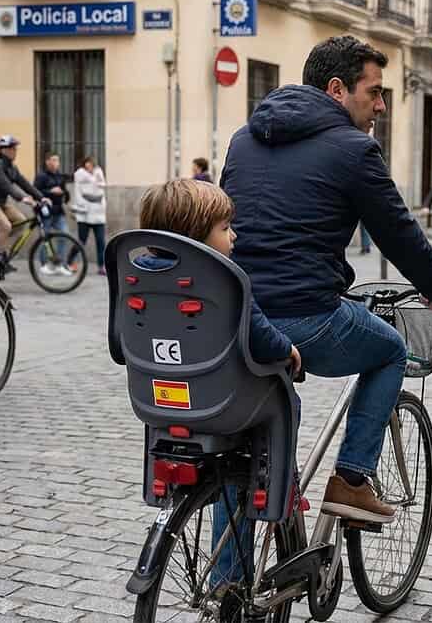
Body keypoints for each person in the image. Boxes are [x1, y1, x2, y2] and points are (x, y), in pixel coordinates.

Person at [221, 35, 432, 523]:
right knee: (391, 349)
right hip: (304, 316)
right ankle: (351, 481)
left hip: (237, 317)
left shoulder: (244, 138)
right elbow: (397, 231)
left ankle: (231, 570)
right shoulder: (354, 149)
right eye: (374, 92)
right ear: (336, 89)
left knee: (243, 456)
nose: (381, 106)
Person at [134, 178, 302, 590]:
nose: (234, 236)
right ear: (196, 235)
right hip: (223, 403)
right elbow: (263, 339)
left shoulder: (136, 275)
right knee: (285, 398)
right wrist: (289, 351)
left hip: (159, 400)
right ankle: (276, 488)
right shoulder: (225, 279)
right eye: (226, 228)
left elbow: (121, 347)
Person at [0, 135, 45, 256]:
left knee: (21, 221)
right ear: (3, 150)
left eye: (15, 149)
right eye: (12, 149)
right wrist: (22, 198)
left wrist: (41, 197)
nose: (15, 151)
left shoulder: (11, 167)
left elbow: (24, 183)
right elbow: (6, 185)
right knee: (5, 226)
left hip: (1, 202)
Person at [33, 152, 72, 276]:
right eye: (53, 160)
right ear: (47, 162)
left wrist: (64, 194)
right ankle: (45, 265)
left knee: (64, 235)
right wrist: (50, 191)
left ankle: (59, 264)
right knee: (45, 239)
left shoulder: (59, 176)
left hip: (58, 212)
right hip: (45, 212)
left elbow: (65, 192)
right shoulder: (41, 176)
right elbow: (35, 191)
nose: (56, 163)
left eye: (57, 160)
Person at [72, 156, 107, 275]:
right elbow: (78, 192)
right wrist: (81, 207)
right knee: (81, 241)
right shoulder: (79, 175)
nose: (89, 166)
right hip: (84, 214)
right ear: (84, 164)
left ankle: (101, 266)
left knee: (101, 241)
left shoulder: (99, 173)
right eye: (87, 163)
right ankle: (71, 261)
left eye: (91, 164)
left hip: (98, 214)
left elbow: (102, 188)